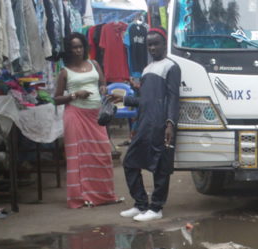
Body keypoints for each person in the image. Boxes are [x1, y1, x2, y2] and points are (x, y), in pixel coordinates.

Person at [112, 27, 180, 222]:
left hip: (160, 123)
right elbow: (144, 100)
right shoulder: (146, 69)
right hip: (143, 124)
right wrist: (122, 98)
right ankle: (141, 204)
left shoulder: (171, 67)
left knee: (160, 167)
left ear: (164, 44)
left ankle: (156, 208)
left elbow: (174, 98)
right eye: (149, 44)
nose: (152, 47)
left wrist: (170, 123)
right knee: (130, 162)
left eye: (155, 43)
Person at [53, 32, 117, 209]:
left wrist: (104, 91)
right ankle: (81, 197)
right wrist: (75, 94)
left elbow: (102, 83)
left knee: (102, 154)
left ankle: (104, 195)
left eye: (80, 46)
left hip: (96, 116)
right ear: (69, 49)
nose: (78, 50)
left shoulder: (94, 64)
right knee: (79, 157)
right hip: (76, 115)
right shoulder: (65, 72)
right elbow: (56, 98)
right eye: (74, 47)